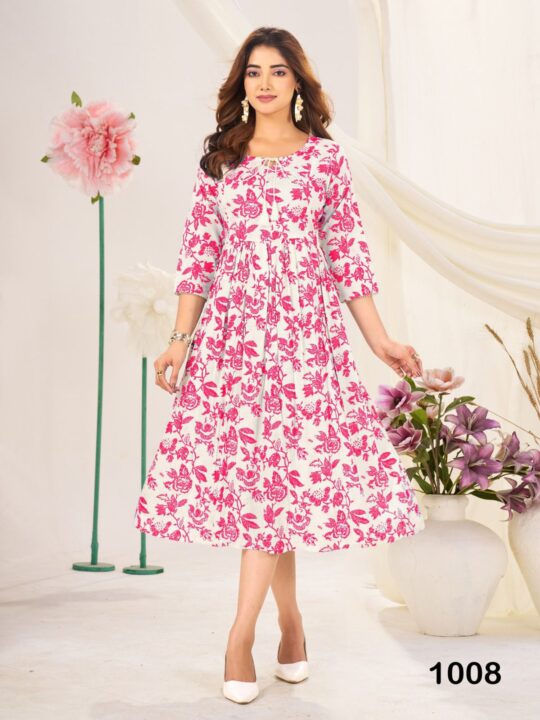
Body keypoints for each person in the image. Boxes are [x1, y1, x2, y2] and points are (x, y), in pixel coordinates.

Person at [134, 26, 425, 705]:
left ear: (297, 83)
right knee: (268, 490)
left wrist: (380, 341)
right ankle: (290, 626)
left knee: (275, 487)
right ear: (242, 83)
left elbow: (349, 258)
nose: (264, 83)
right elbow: (198, 256)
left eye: (278, 71)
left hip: (304, 343)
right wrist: (180, 338)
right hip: (234, 343)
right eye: (254, 71)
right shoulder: (221, 160)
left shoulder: (324, 161)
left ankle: (241, 637)